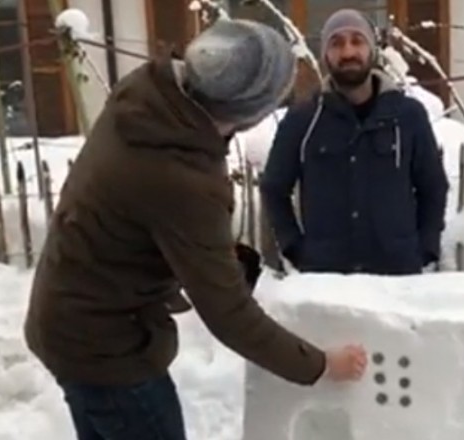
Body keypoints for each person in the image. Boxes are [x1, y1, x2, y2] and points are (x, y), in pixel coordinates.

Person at [23, 19, 367, 440]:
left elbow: (136, 217)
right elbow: (230, 317)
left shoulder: (150, 99)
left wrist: (200, 252)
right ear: (250, 111)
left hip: (67, 320)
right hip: (106, 350)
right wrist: (320, 364)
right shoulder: (182, 176)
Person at [260, 8, 450, 276]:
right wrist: (295, 248)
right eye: (336, 43)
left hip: (397, 277)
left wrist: (425, 249)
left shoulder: (407, 116)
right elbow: (273, 188)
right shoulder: (304, 119)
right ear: (325, 54)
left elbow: (433, 187)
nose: (348, 52)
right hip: (328, 277)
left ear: (372, 50)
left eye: (357, 41)